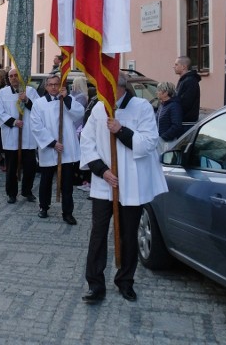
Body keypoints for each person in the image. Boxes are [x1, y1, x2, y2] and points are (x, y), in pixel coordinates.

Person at [79, 75, 168, 304]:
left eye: (107, 88)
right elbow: (86, 141)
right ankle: (95, 284)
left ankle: (125, 281)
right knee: (98, 234)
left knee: (128, 234)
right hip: (104, 182)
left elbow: (149, 142)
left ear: (120, 87)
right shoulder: (99, 108)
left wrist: (120, 130)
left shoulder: (142, 107)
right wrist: (101, 170)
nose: (102, 93)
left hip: (131, 184)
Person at [30, 73, 84, 223]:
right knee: (46, 180)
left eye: (56, 84)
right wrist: (53, 143)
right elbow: (36, 126)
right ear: (46, 87)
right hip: (49, 148)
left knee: (67, 183)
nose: (54, 87)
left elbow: (79, 113)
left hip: (66, 149)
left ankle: (67, 212)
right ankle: (44, 207)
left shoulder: (68, 100)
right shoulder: (39, 103)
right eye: (51, 84)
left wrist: (66, 99)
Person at [0, 69, 40, 204]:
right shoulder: (2, 93)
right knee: (11, 167)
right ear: (8, 78)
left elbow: (39, 108)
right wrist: (13, 122)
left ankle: (27, 190)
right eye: (11, 76)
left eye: (16, 76)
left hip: (27, 135)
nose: (14, 78)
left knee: (30, 167)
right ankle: (11, 193)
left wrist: (26, 100)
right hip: (11, 135)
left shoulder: (30, 91)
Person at [173, 56, 200, 131]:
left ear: (184, 67)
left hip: (187, 123)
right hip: (183, 122)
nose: (174, 67)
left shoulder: (190, 81)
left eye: (176, 64)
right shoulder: (184, 80)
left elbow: (186, 103)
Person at [155, 81, 184, 153]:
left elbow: (177, 125)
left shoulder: (174, 106)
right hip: (159, 141)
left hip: (168, 143)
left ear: (166, 93)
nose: (157, 92)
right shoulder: (162, 105)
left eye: (159, 90)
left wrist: (163, 137)